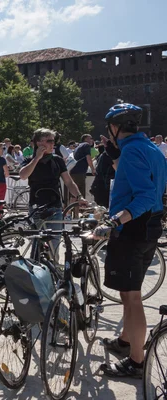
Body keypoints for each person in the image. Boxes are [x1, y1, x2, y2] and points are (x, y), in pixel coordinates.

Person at [97, 104, 166, 379]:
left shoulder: (132, 151)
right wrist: (115, 158)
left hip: (132, 230)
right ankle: (126, 341)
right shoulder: (151, 149)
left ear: (115, 128)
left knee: (134, 298)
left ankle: (137, 362)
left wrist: (115, 221)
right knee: (128, 292)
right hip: (149, 228)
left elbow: (146, 195)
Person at [19, 129, 83, 231]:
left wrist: (79, 197)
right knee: (37, 241)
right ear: (38, 143)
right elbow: (23, 175)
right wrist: (36, 158)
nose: (53, 144)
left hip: (55, 206)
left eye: (54, 141)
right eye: (49, 141)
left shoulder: (57, 160)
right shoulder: (29, 160)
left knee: (54, 241)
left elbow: (69, 182)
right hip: (36, 206)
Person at [68, 134, 97, 202]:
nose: (92, 140)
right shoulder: (86, 145)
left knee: (74, 192)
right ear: (85, 139)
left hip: (73, 171)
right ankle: (80, 210)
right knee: (80, 192)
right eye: (90, 138)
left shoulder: (79, 146)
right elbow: (88, 158)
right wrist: (93, 169)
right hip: (80, 172)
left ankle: (72, 209)